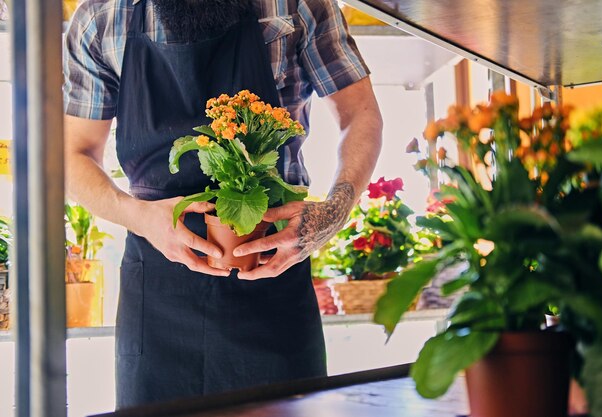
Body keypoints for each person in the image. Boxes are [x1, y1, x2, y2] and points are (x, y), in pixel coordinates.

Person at [63, 0, 383, 409]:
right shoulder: (101, 18)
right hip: (158, 287)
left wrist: (330, 215)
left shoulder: (300, 3)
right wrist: (139, 217)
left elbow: (361, 114)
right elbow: (73, 154)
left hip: (273, 271)